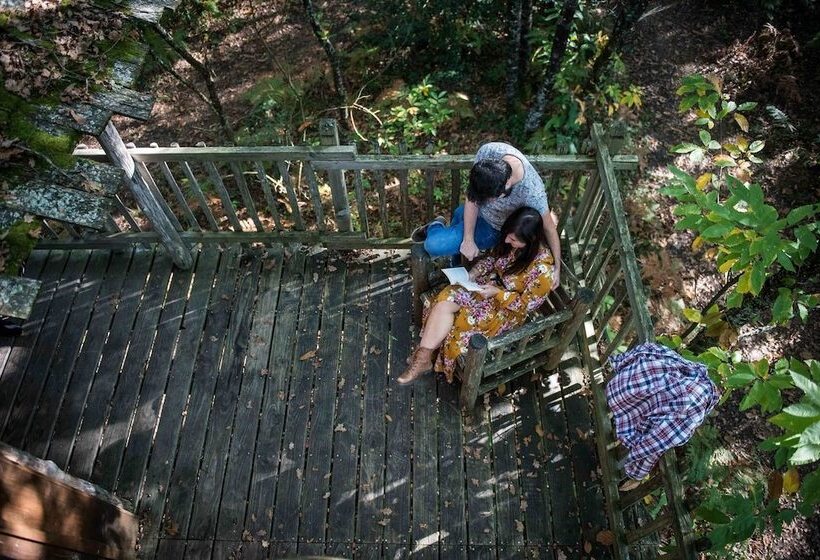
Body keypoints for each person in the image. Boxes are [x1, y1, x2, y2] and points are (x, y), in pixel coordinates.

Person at [398, 207, 556, 385]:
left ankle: (425, 356)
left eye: (512, 239)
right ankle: (423, 358)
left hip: (506, 308)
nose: (506, 240)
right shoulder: (513, 244)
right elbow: (492, 259)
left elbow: (525, 307)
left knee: (463, 320)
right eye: (507, 235)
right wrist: (473, 273)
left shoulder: (543, 270)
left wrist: (498, 293)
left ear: (531, 240)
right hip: (486, 286)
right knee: (445, 298)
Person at [411, 141, 561, 288]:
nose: (484, 200)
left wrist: (557, 268)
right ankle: (454, 262)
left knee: (433, 245)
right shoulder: (489, 152)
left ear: (506, 187)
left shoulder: (532, 193)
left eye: (489, 198)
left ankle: (435, 227)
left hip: (493, 227)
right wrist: (468, 239)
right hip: (472, 212)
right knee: (458, 221)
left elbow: (549, 228)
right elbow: (472, 196)